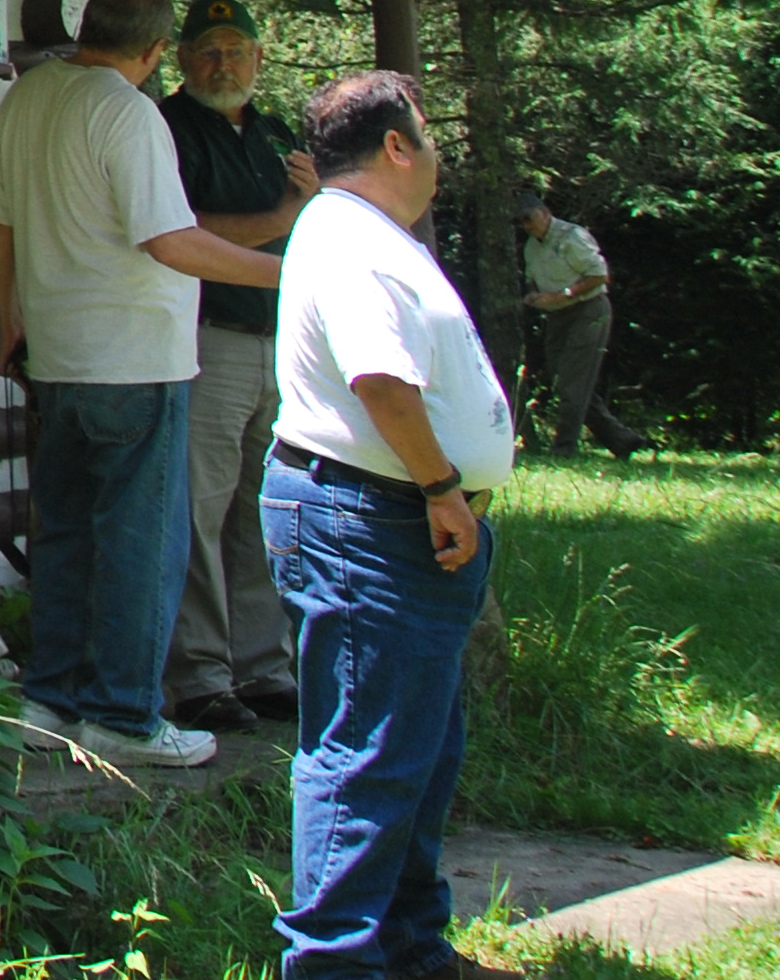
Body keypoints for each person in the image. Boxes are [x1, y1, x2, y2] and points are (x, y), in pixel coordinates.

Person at [0, 0, 288, 769]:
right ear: (158, 49)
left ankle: (50, 699)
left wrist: (7, 316)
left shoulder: (28, 95)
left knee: (68, 535)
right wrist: (291, 270)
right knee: (140, 545)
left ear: (86, 27)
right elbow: (169, 241)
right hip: (137, 360)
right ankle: (123, 715)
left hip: (56, 353)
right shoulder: (129, 112)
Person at [265, 70, 520, 980]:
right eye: (430, 132)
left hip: (390, 514)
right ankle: (333, 966)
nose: (438, 151)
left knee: (417, 749)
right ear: (398, 145)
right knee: (365, 758)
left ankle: (411, 951)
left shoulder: (363, 233)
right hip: (375, 519)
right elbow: (380, 380)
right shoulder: (351, 239)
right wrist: (444, 486)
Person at [160, 0, 316, 733]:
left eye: (236, 50)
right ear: (184, 59)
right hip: (208, 336)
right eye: (209, 51)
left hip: (278, 341)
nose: (224, 64)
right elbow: (183, 228)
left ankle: (264, 667)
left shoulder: (275, 135)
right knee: (201, 508)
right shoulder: (167, 126)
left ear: (258, 58)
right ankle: (199, 676)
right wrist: (287, 216)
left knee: (263, 508)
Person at [519, 189, 643, 458]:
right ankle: (622, 440)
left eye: (529, 218)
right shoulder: (531, 247)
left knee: (571, 384)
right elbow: (535, 278)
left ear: (545, 213)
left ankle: (564, 448)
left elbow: (599, 275)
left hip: (588, 311)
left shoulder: (571, 237)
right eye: (521, 222)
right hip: (557, 315)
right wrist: (534, 295)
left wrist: (561, 294)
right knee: (562, 379)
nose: (526, 226)